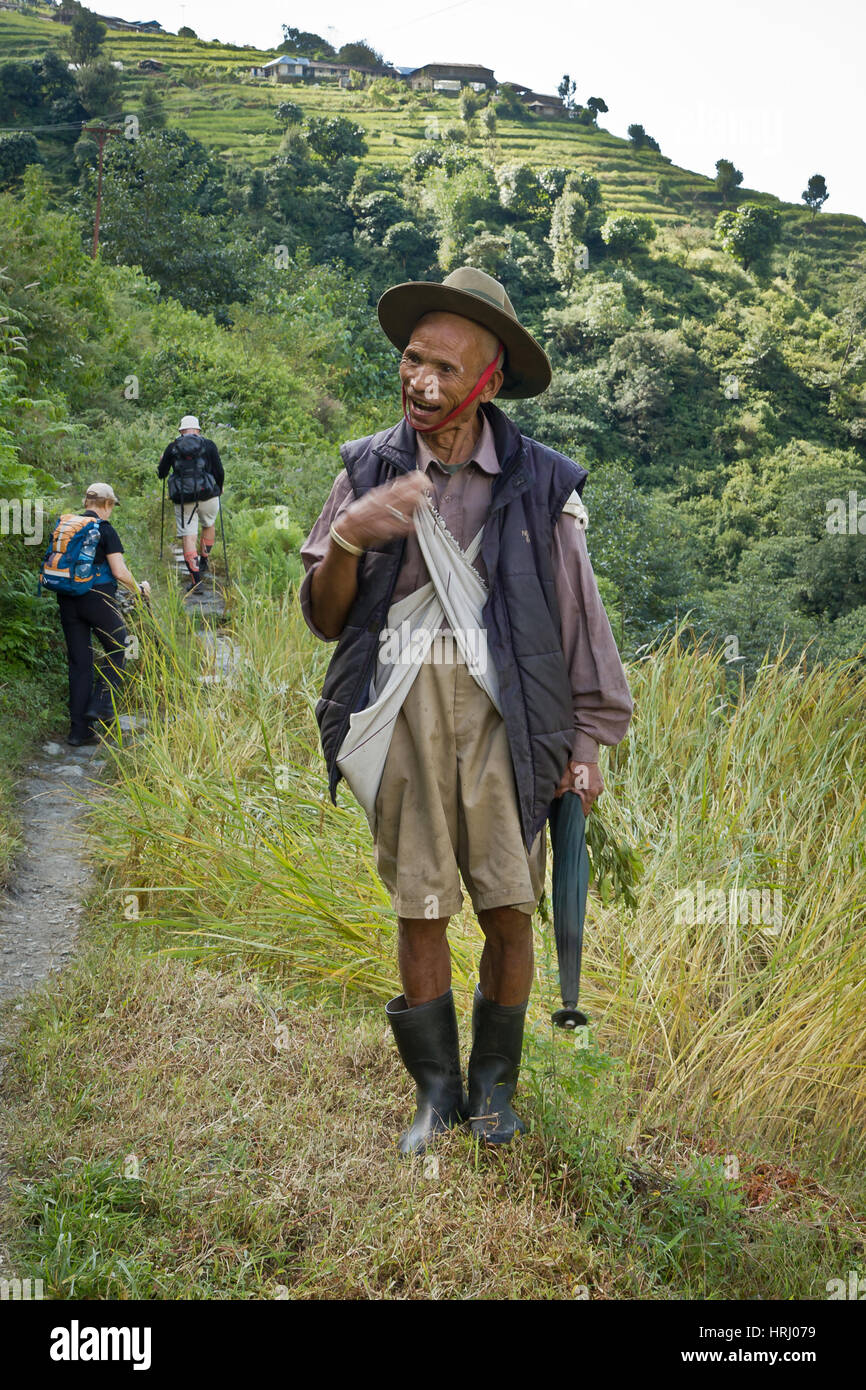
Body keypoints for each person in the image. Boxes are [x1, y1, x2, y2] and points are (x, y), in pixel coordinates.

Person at [300, 267, 634, 1157]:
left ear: (488, 381)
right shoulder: (368, 467)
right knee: (419, 906)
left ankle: (495, 1094)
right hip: (401, 711)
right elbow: (325, 619)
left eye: (449, 370)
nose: (424, 384)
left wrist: (590, 742)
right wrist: (350, 533)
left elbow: (576, 622)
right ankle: (435, 1097)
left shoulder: (537, 485)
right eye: (415, 361)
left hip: (505, 715)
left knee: (509, 906)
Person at [54, 482, 150, 747]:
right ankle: (101, 705)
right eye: (111, 507)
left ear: (86, 503)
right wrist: (140, 589)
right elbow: (119, 572)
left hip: (67, 599)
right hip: (97, 598)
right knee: (123, 646)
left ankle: (79, 732)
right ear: (107, 504)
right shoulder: (105, 530)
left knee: (80, 664)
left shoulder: (67, 526)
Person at [157, 415, 224, 586]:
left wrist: (161, 462)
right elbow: (219, 470)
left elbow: (162, 474)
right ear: (198, 430)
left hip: (183, 497)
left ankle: (196, 581)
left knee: (188, 537)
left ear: (181, 431)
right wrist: (220, 486)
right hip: (208, 494)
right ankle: (204, 560)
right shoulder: (208, 445)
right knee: (208, 525)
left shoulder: (172, 447)